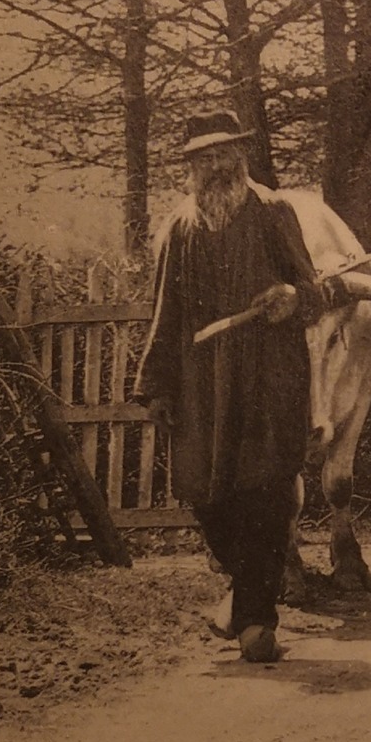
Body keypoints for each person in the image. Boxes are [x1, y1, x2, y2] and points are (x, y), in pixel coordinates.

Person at [134, 110, 324, 663]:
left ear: (241, 158)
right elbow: (164, 313)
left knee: (264, 497)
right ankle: (242, 597)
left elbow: (313, 292)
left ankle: (256, 625)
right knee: (207, 498)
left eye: (223, 155)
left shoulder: (273, 213)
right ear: (191, 167)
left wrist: (292, 299)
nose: (215, 167)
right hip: (200, 387)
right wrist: (158, 387)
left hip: (269, 380)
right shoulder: (179, 228)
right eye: (203, 159)